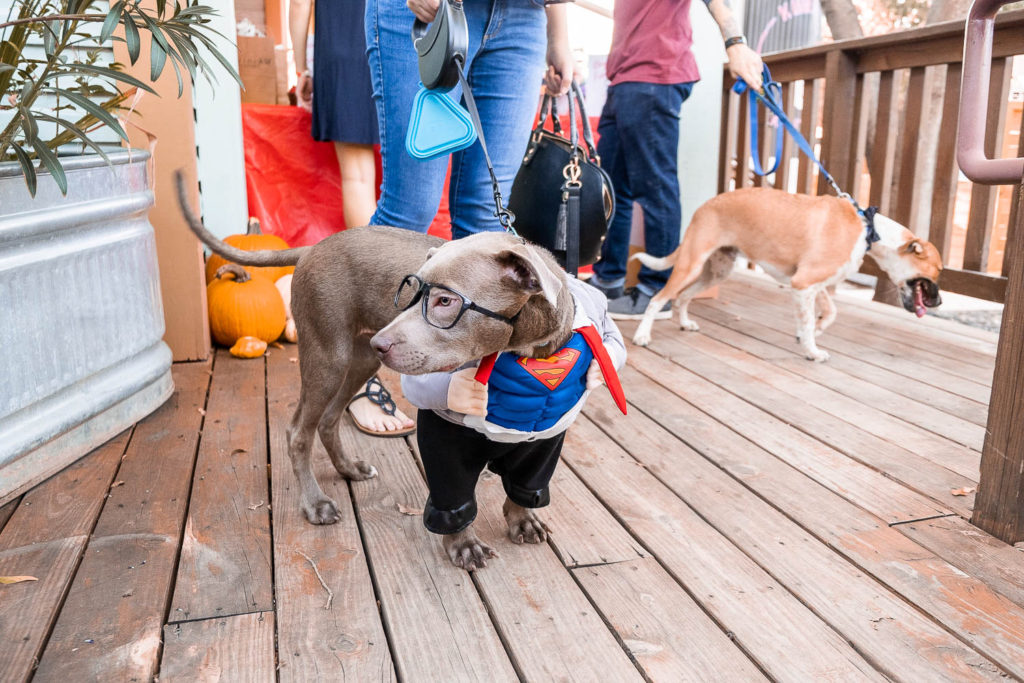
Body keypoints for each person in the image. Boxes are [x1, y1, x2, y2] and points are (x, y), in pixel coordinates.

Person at [586, 0, 764, 318]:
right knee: (612, 190)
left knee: (656, 189)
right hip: (623, 80)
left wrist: (735, 44)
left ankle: (658, 290)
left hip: (654, 77)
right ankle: (609, 278)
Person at [290, 0, 416, 437]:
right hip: (405, 32)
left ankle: (363, 295)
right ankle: (375, 300)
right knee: (404, 180)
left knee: (360, 177)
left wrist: (300, 62)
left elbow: (300, 6)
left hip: (340, 45)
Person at [365, 0, 574, 238]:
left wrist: (559, 37)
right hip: (433, 10)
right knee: (409, 210)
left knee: (487, 218)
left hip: (524, 17)